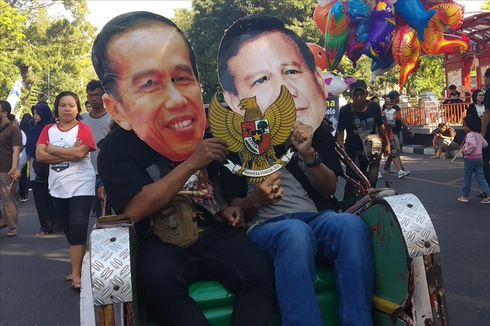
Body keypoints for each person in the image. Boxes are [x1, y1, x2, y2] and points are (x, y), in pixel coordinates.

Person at [92, 11, 275, 325]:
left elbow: (230, 201)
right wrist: (192, 162)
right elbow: (135, 209)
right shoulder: (115, 148)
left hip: (213, 233)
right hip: (158, 243)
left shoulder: (211, 134)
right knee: (157, 285)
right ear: (116, 108)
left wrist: (237, 208)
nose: (175, 99)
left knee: (260, 270)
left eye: (182, 78)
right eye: (149, 84)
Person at [217, 15, 373, 326]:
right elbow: (227, 208)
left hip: (315, 218)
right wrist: (254, 201)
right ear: (235, 99)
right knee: (294, 233)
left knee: (350, 227)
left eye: (290, 71)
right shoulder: (234, 139)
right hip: (266, 229)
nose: (283, 89)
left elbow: (329, 190)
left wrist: (309, 155)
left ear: (314, 79)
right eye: (261, 79)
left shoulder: (314, 130)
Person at [36, 91, 96, 291]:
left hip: (82, 185)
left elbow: (80, 154)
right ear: (57, 108)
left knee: (78, 227)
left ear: (78, 108)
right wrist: (68, 154)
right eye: (63, 105)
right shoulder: (47, 130)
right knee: (70, 230)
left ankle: (76, 274)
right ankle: (82, 259)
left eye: (71, 105)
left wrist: (52, 149)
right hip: (58, 188)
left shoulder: (84, 129)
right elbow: (40, 157)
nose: (67, 109)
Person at [337, 80, 390, 203]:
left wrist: (387, 143)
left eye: (361, 94)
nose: (359, 98)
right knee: (352, 185)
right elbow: (340, 132)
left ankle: (368, 205)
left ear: (366, 95)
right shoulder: (345, 110)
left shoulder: (374, 107)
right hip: (353, 152)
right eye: (355, 95)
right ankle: (348, 209)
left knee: (370, 186)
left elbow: (381, 126)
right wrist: (341, 151)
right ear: (351, 96)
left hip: (372, 152)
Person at [25, 102, 58, 237]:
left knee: (54, 198)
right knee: (40, 199)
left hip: (53, 170)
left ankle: (55, 223)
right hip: (36, 170)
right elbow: (28, 150)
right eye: (34, 114)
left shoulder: (53, 128)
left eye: (37, 113)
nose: (35, 116)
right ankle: (45, 226)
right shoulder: (34, 129)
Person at [82, 79, 111, 217]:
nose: (94, 98)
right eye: (90, 95)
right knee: (95, 212)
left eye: (98, 95)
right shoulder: (81, 119)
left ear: (104, 95)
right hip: (86, 172)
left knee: (108, 210)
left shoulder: (113, 118)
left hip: (107, 172)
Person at [0, 100, 22, 237]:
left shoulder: (13, 129)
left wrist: (14, 168)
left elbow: (16, 150)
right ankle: (3, 220)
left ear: (4, 113)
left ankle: (12, 226)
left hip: (6, 168)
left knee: (8, 199)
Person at [457, 115, 490, 204]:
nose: (463, 127)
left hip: (470, 159)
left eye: (464, 125)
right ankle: (488, 195)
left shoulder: (470, 135)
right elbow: (485, 144)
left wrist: (465, 150)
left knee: (467, 177)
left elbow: (472, 146)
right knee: (481, 177)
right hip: (479, 158)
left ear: (469, 126)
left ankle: (465, 196)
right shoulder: (479, 135)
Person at [383, 90, 412, 177]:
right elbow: (398, 120)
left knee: (394, 150)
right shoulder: (393, 108)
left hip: (392, 131)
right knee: (395, 150)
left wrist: (407, 128)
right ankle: (400, 170)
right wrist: (407, 129)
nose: (399, 98)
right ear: (395, 98)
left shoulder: (388, 107)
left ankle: (388, 166)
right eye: (398, 97)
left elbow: (398, 119)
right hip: (391, 132)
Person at [18, 113, 33, 201]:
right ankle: (23, 194)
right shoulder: (31, 127)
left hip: (19, 154)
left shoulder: (20, 129)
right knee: (24, 174)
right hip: (26, 151)